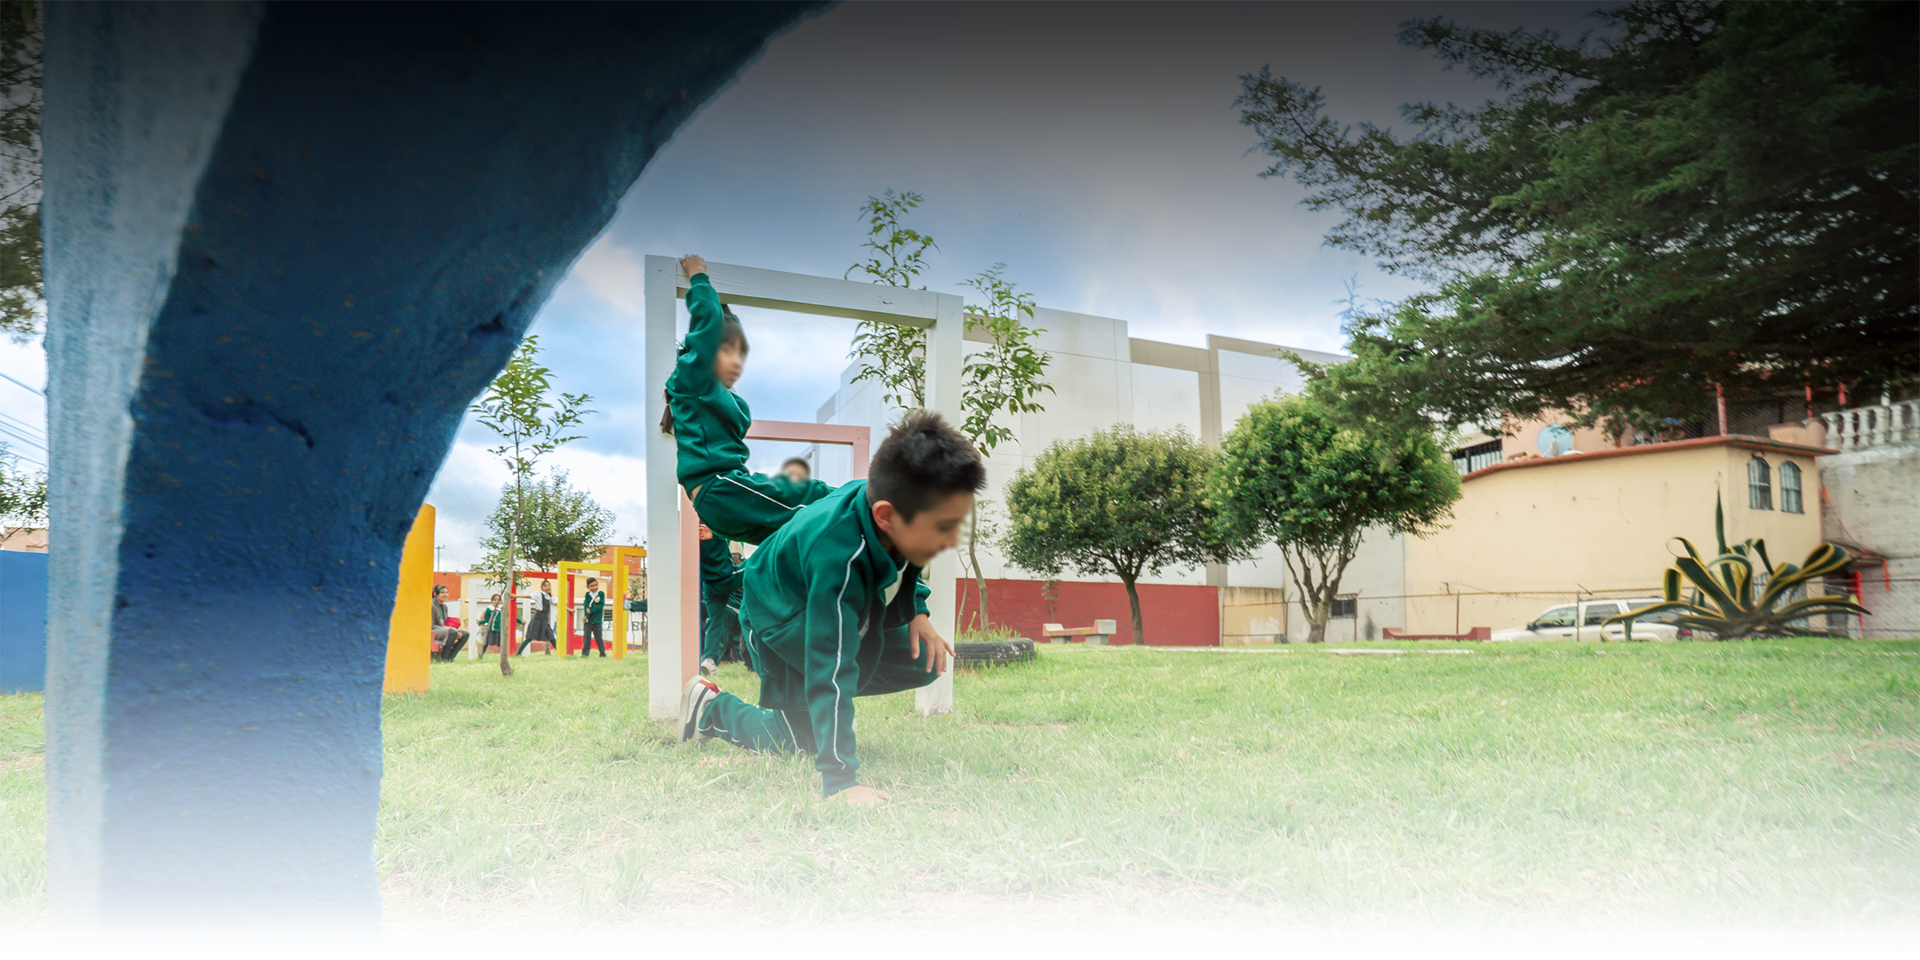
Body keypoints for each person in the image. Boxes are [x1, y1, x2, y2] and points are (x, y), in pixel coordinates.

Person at [678, 411, 985, 806]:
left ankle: (820, 713)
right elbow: (831, 663)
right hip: (777, 616)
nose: (950, 540)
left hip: (809, 597)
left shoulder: (884, 506)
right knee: (796, 739)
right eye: (941, 527)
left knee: (922, 657)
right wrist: (842, 782)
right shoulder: (838, 557)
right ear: (886, 517)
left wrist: (917, 613)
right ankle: (711, 709)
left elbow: (907, 559)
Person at [661, 254, 834, 546]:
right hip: (721, 490)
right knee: (815, 495)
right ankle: (866, 501)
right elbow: (708, 328)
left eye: (742, 353)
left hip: (722, 504)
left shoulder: (716, 395)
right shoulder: (693, 378)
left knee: (808, 535)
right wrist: (698, 277)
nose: (737, 361)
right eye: (727, 350)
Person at [698, 525, 743, 677]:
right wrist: (716, 532)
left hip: (709, 587)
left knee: (715, 622)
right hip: (727, 578)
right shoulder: (716, 529)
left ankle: (709, 660)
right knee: (757, 561)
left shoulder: (694, 537)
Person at [430, 584, 470, 661]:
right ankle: (444, 658)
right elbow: (431, 625)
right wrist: (450, 629)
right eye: (442, 592)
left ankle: (451, 657)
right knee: (453, 631)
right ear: (435, 594)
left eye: (446, 592)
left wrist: (451, 629)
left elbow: (443, 624)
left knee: (465, 634)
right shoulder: (431, 605)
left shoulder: (444, 606)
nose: (445, 595)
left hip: (442, 630)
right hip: (432, 631)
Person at [517, 579, 557, 656]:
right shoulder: (539, 594)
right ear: (541, 587)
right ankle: (518, 654)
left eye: (549, 586)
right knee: (530, 637)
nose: (548, 587)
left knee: (551, 636)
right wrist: (516, 596)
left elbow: (558, 603)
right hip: (537, 619)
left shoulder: (550, 597)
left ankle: (560, 653)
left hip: (545, 620)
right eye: (545, 586)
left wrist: (568, 609)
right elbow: (528, 596)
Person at [579, 577, 608, 657]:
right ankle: (585, 654)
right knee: (586, 638)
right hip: (588, 621)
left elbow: (600, 605)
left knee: (598, 638)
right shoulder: (587, 595)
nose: (594, 587)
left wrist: (591, 610)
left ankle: (602, 653)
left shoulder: (601, 594)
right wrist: (586, 616)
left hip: (597, 621)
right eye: (592, 586)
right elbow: (586, 606)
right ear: (588, 587)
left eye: (596, 585)